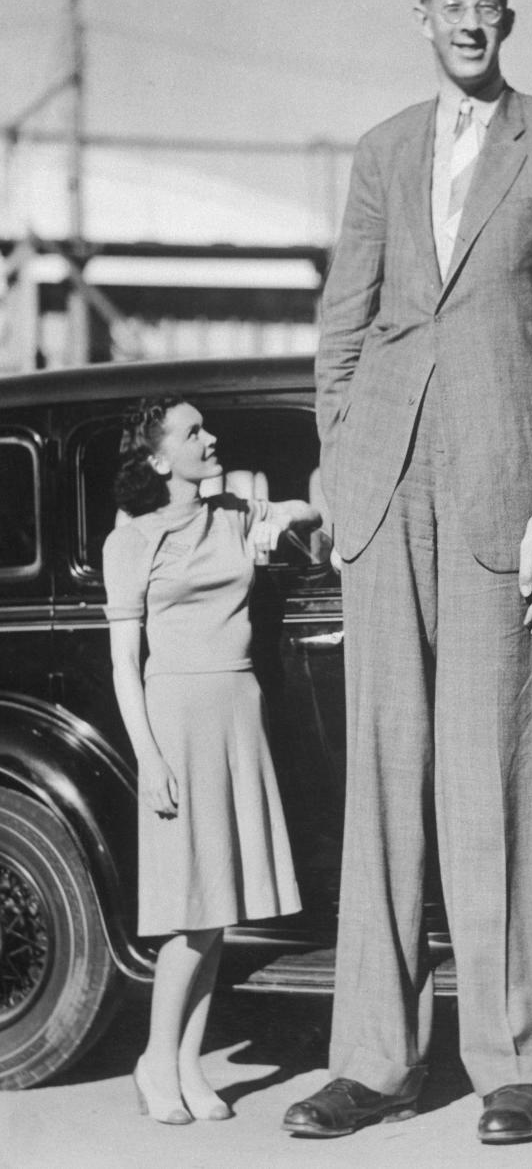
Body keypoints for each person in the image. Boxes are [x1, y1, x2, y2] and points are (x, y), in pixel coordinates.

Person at [282, 0, 532, 1145]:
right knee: (381, 782)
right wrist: (340, 468)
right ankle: (375, 1061)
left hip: (505, 502)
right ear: (422, 20)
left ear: (508, 21)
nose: (471, 25)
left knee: (499, 778)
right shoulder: (383, 150)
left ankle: (518, 1060)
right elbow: (341, 331)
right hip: (383, 501)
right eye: (452, 8)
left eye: (489, 9)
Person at [103, 396, 322, 1126]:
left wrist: (286, 516)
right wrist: (149, 755)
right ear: (160, 458)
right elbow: (124, 664)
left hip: (238, 709)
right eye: (192, 432)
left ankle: (189, 1063)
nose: (210, 437)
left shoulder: (232, 512)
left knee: (218, 906)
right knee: (189, 912)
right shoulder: (129, 541)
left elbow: (303, 510)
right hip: (177, 718)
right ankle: (155, 1059)